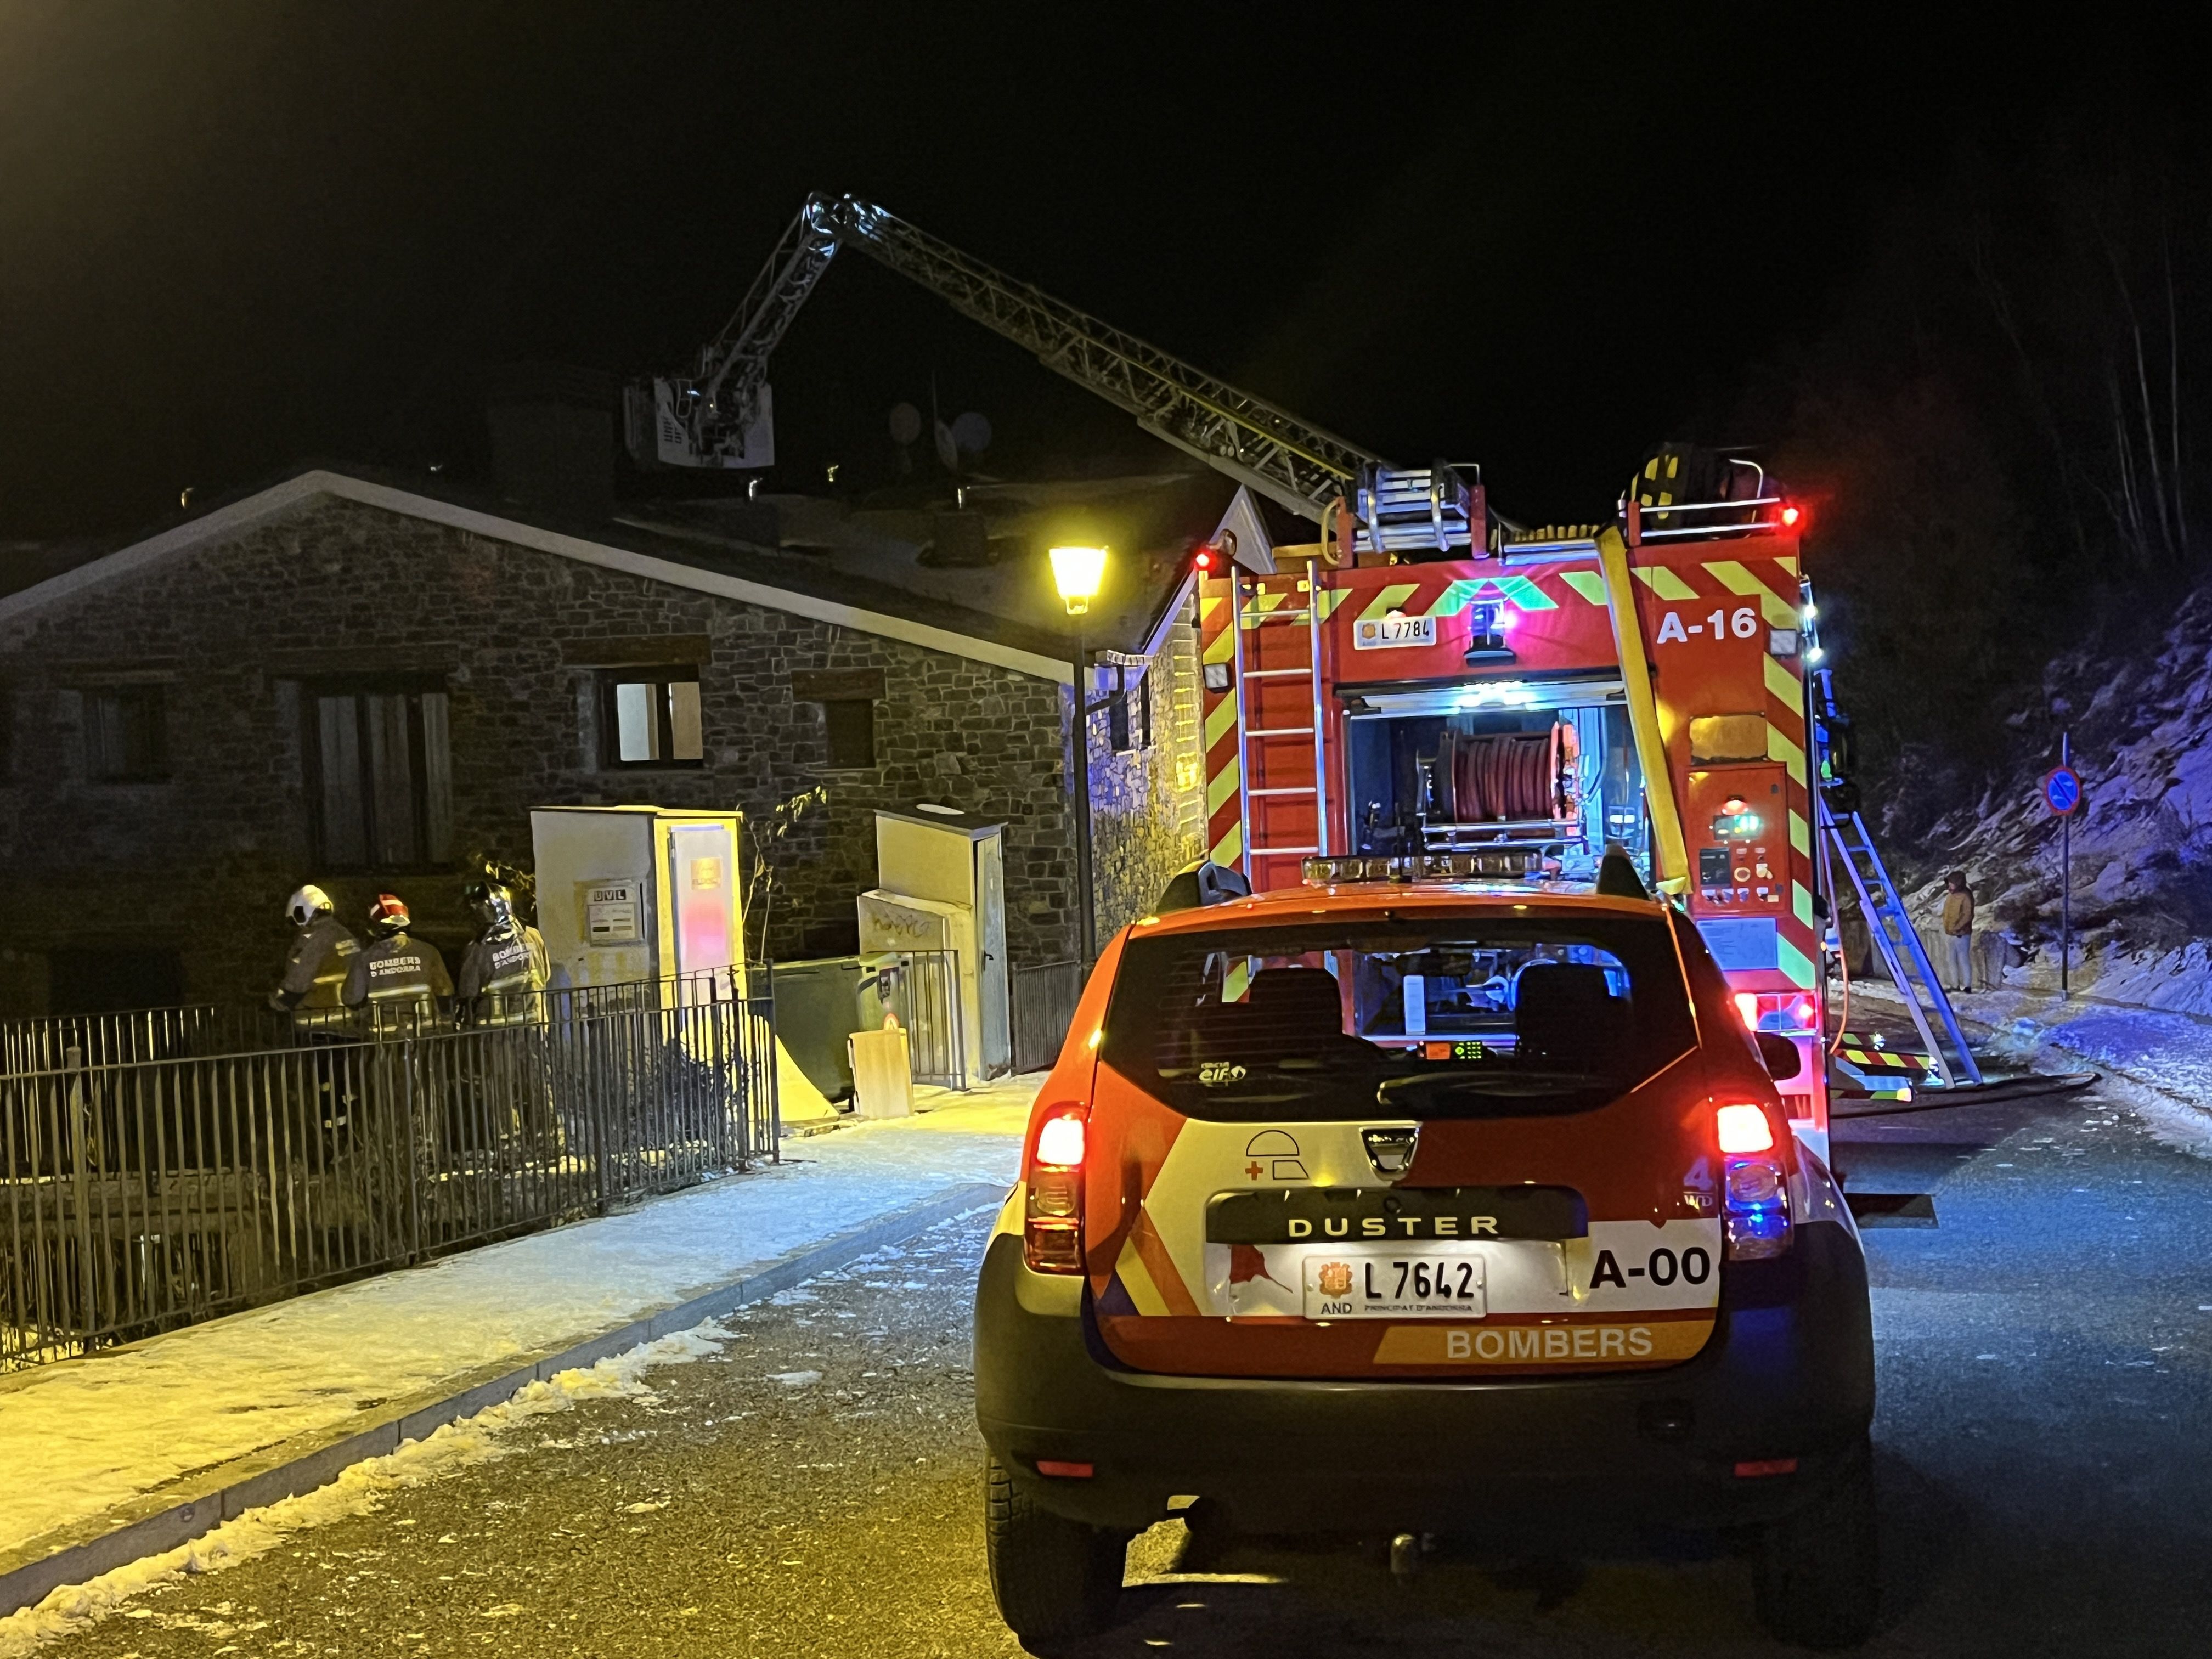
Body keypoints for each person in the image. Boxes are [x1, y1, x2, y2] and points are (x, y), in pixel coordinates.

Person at [342, 893, 453, 1031]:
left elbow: (351, 999)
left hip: (383, 1038)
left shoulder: (365, 958)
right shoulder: (429, 951)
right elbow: (445, 992)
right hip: (425, 1035)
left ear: (377, 927)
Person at [455, 882, 549, 1026]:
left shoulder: (479, 949)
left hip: (497, 1031)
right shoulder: (533, 935)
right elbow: (546, 975)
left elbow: (468, 991)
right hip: (534, 1024)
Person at [268, 884, 359, 1030]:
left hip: (318, 1023)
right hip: (348, 1022)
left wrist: (276, 1001)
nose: (299, 926)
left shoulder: (313, 939)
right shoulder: (346, 935)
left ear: (302, 911)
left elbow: (298, 981)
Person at [1940, 871, 1976, 993]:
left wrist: (1957, 928)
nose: (1949, 886)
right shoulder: (1951, 895)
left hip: (1962, 934)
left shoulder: (1966, 896)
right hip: (1950, 933)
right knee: (1951, 960)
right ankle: (1954, 984)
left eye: (1951, 884)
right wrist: (1946, 925)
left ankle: (1967, 986)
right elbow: (1946, 912)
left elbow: (1968, 915)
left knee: (1963, 959)